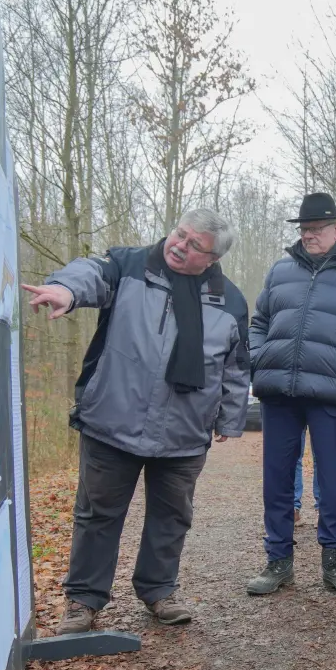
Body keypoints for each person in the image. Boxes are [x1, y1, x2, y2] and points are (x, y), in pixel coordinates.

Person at [21, 208, 250, 634]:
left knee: (171, 517)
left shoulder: (230, 301)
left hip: (184, 431)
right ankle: (84, 601)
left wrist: (230, 419)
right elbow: (89, 274)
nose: (179, 245)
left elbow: (236, 366)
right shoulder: (127, 266)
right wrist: (64, 291)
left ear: (212, 258)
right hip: (112, 419)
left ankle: (159, 592)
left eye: (194, 244)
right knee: (98, 514)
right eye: (179, 234)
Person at [245, 192, 336, 598]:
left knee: (330, 480)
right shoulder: (280, 271)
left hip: (332, 393)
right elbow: (258, 322)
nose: (309, 235)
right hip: (279, 392)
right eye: (304, 229)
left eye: (316, 229)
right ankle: (278, 560)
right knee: (276, 479)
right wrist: (259, 358)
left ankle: (335, 561)